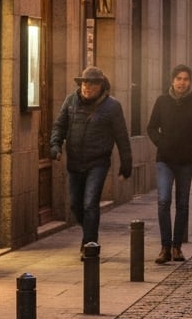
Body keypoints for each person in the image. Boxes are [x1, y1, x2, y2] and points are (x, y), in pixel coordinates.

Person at [49, 66, 133, 258]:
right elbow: (59, 125)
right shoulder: (71, 101)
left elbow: (122, 137)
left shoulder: (112, 106)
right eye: (84, 83)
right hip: (75, 161)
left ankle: (90, 243)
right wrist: (55, 146)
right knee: (75, 205)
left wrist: (126, 163)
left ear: (101, 86)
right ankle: (88, 233)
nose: (87, 87)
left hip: (98, 162)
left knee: (90, 203)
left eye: (92, 84)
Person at [145, 64, 192, 264]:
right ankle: (165, 247)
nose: (182, 82)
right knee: (163, 201)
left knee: (182, 204)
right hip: (165, 159)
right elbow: (151, 127)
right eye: (178, 78)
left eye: (185, 79)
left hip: (186, 162)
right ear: (172, 81)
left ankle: (177, 247)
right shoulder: (162, 101)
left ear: (190, 82)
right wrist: (161, 142)